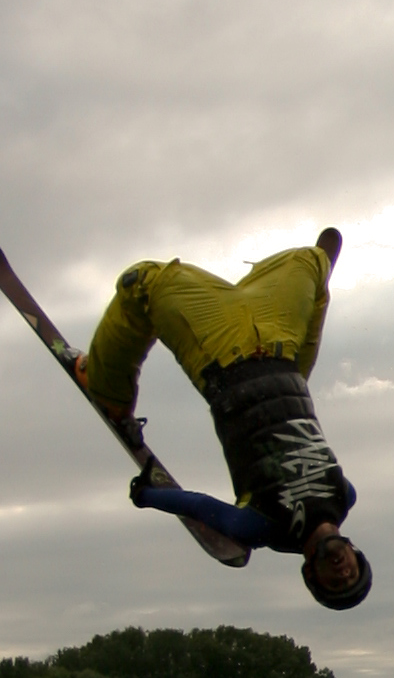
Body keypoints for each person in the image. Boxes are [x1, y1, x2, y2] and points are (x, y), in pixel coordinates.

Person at [74, 229, 372, 609]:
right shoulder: (344, 496)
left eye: (336, 583)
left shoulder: (264, 527)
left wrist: (147, 496)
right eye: (352, 574)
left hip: (220, 355)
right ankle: (318, 271)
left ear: (311, 574)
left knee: (143, 283)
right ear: (354, 553)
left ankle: (106, 389)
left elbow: (200, 507)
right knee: (308, 261)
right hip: (280, 344)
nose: (343, 573)